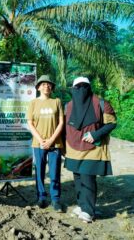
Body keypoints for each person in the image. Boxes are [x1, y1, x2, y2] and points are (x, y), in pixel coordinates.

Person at [65, 77, 116, 223]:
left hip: (93, 149)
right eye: (77, 87)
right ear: (73, 90)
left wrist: (95, 134)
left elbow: (111, 123)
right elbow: (65, 128)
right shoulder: (68, 106)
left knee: (87, 178)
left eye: (84, 86)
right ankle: (82, 206)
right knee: (78, 179)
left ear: (89, 87)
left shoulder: (101, 103)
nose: (81, 90)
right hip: (73, 149)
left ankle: (88, 211)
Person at [27, 75, 64, 212]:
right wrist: (41, 139)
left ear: (52, 87)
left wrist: (51, 140)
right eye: (43, 84)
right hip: (38, 143)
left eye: (49, 84)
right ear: (38, 87)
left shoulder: (57, 101)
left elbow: (61, 122)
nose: (46, 86)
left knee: (55, 172)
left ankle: (55, 199)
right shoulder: (33, 103)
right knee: (40, 171)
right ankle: (41, 197)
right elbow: (30, 123)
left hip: (55, 143)